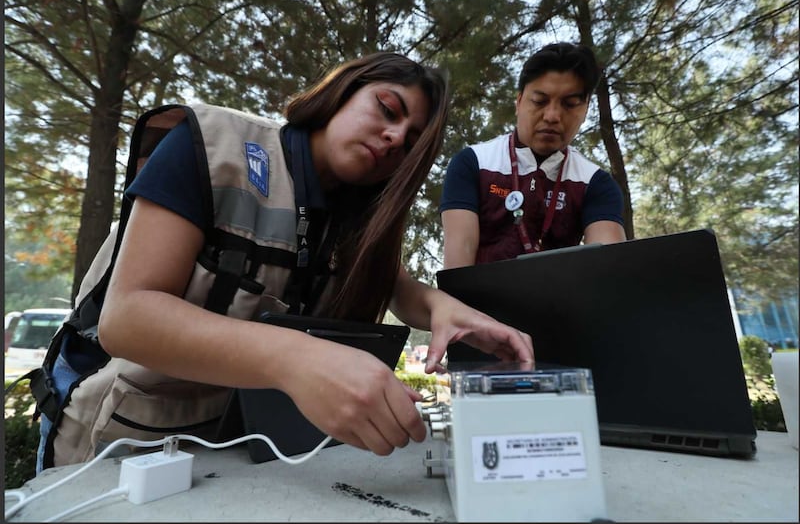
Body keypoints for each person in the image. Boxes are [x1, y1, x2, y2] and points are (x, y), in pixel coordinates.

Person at [35, 52, 533, 472]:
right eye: (386, 109)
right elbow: (127, 320)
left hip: (242, 459)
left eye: (409, 144)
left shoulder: (355, 220)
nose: (393, 139)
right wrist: (298, 359)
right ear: (341, 89)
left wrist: (447, 310)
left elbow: (399, 288)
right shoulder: (211, 143)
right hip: (110, 452)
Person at [438, 42, 626, 363]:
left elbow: (606, 270)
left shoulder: (596, 183)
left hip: (564, 337)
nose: (552, 116)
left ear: (585, 109)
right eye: (540, 100)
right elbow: (458, 271)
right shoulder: (473, 163)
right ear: (519, 100)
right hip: (481, 337)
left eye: (570, 104)